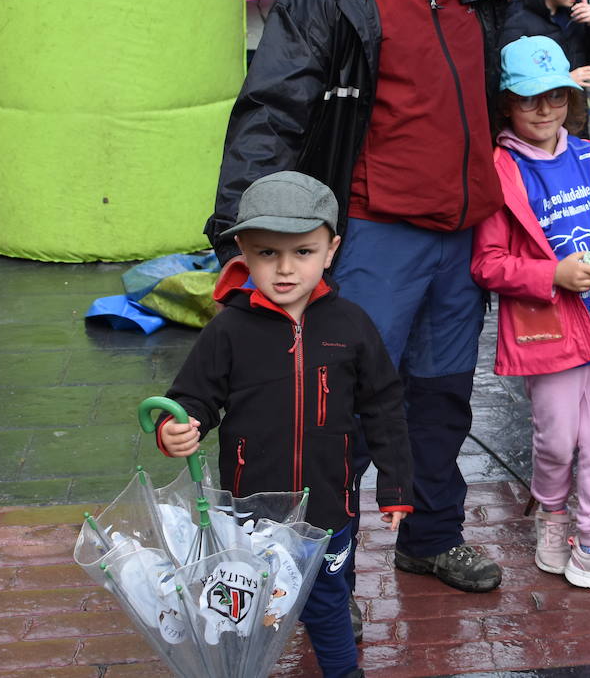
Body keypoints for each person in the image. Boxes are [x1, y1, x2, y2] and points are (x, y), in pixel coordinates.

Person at [205, 0, 508, 601]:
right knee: (340, 412)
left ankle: (431, 537)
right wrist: (241, 233)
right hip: (373, 234)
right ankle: (317, 571)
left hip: (459, 239)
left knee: (440, 399)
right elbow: (269, 110)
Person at [160, 171, 413, 678]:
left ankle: (344, 673)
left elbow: (384, 405)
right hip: (250, 513)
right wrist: (178, 426)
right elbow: (193, 397)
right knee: (244, 611)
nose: (284, 268)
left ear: (331, 248)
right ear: (243, 251)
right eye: (267, 253)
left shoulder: (351, 325)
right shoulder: (228, 329)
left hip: (329, 510)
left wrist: (396, 486)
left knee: (328, 604)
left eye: (302, 251)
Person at [471, 35, 590, 596]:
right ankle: (552, 516)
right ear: (507, 102)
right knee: (557, 438)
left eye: (555, 97)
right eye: (529, 99)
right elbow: (487, 263)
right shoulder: (499, 170)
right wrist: (551, 276)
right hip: (547, 333)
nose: (544, 110)